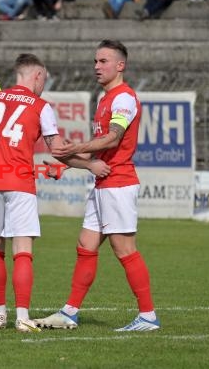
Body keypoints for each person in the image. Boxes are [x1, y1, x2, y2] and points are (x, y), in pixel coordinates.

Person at [0, 53, 110, 332]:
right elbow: (58, 150)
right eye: (44, 78)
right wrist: (90, 164)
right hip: (19, 182)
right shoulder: (40, 106)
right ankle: (22, 317)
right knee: (23, 251)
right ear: (37, 76)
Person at [34, 40, 161, 332]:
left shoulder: (124, 98)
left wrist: (72, 148)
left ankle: (148, 316)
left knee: (124, 249)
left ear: (120, 65)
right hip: (102, 183)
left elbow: (113, 139)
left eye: (103, 61)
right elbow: (96, 154)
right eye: (95, 61)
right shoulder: (104, 99)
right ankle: (69, 312)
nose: (96, 66)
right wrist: (65, 163)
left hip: (118, 183)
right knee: (86, 244)